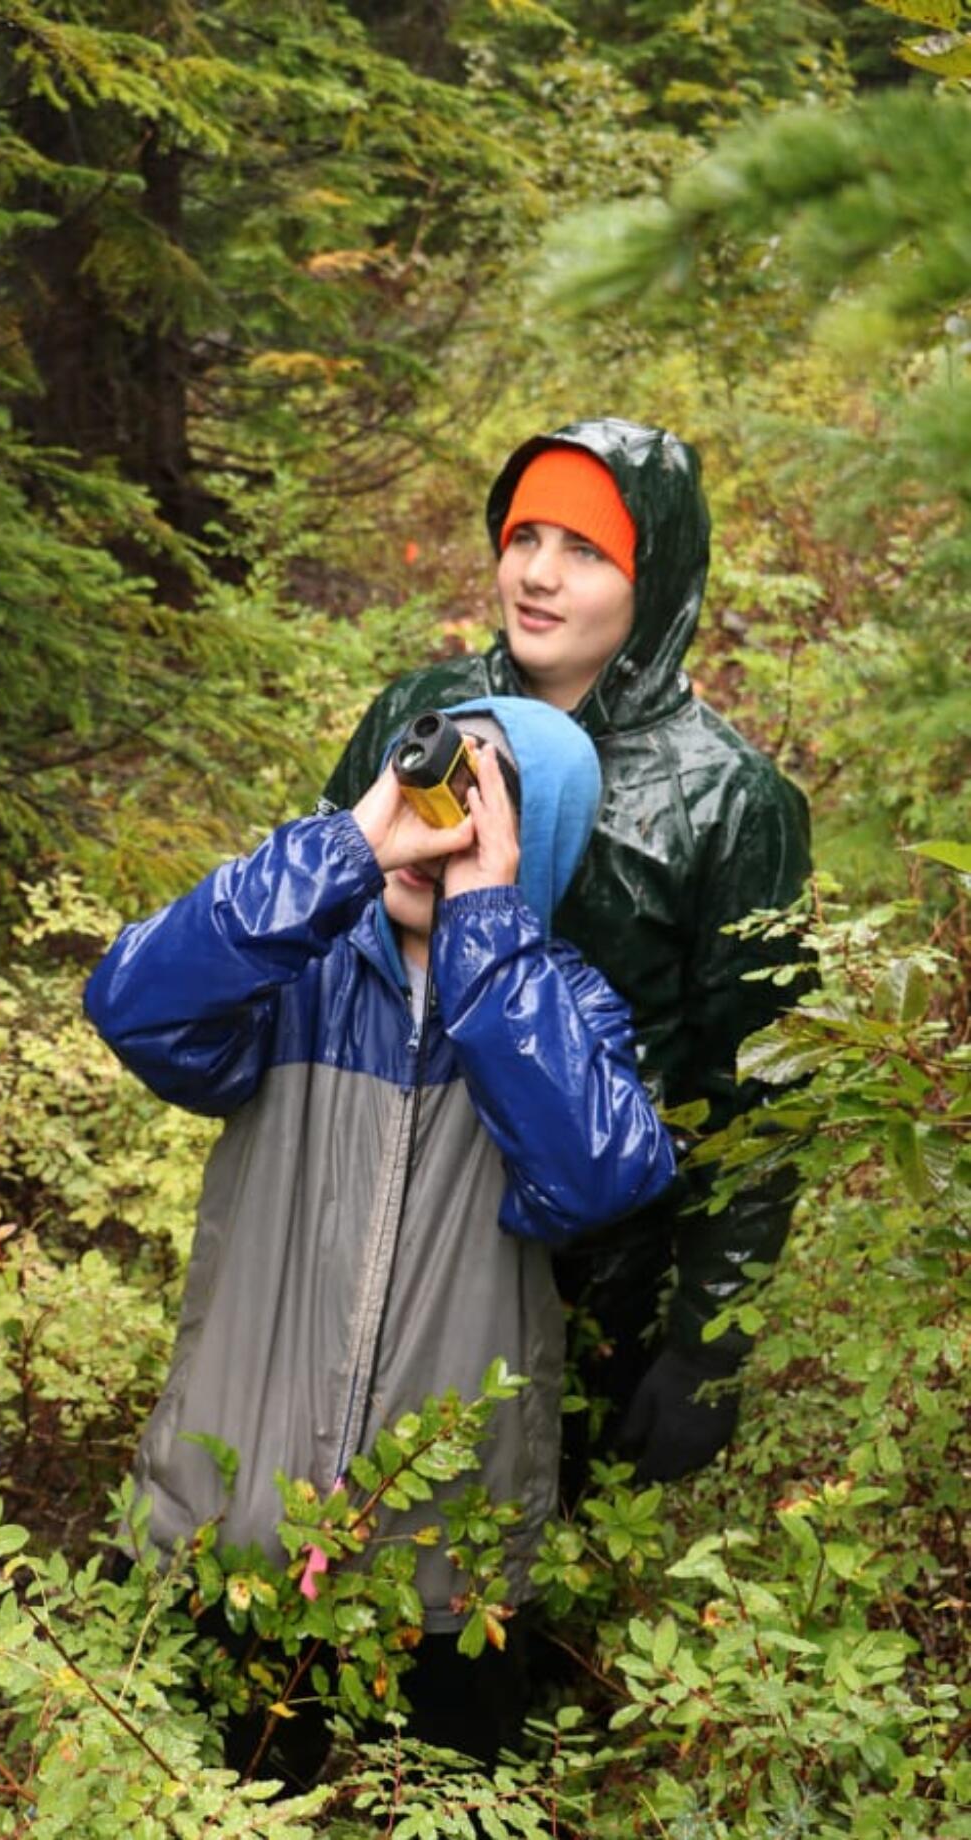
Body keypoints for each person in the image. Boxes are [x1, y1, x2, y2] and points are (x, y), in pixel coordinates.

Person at [85, 696, 675, 1766]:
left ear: (527, 841)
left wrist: (484, 933)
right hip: (218, 1539)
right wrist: (350, 848)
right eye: (431, 779)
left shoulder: (562, 1008)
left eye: (479, 797)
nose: (439, 816)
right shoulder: (287, 977)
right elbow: (134, 1006)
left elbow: (594, 1181)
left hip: (443, 1583)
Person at [318, 419, 813, 1488]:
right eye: (523, 535)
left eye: (584, 550)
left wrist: (703, 1346)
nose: (536, 575)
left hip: (588, 1284)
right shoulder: (417, 713)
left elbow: (759, 1096)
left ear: (656, 578)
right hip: (368, 1220)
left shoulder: (729, 801)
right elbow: (312, 933)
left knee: (505, 1591)